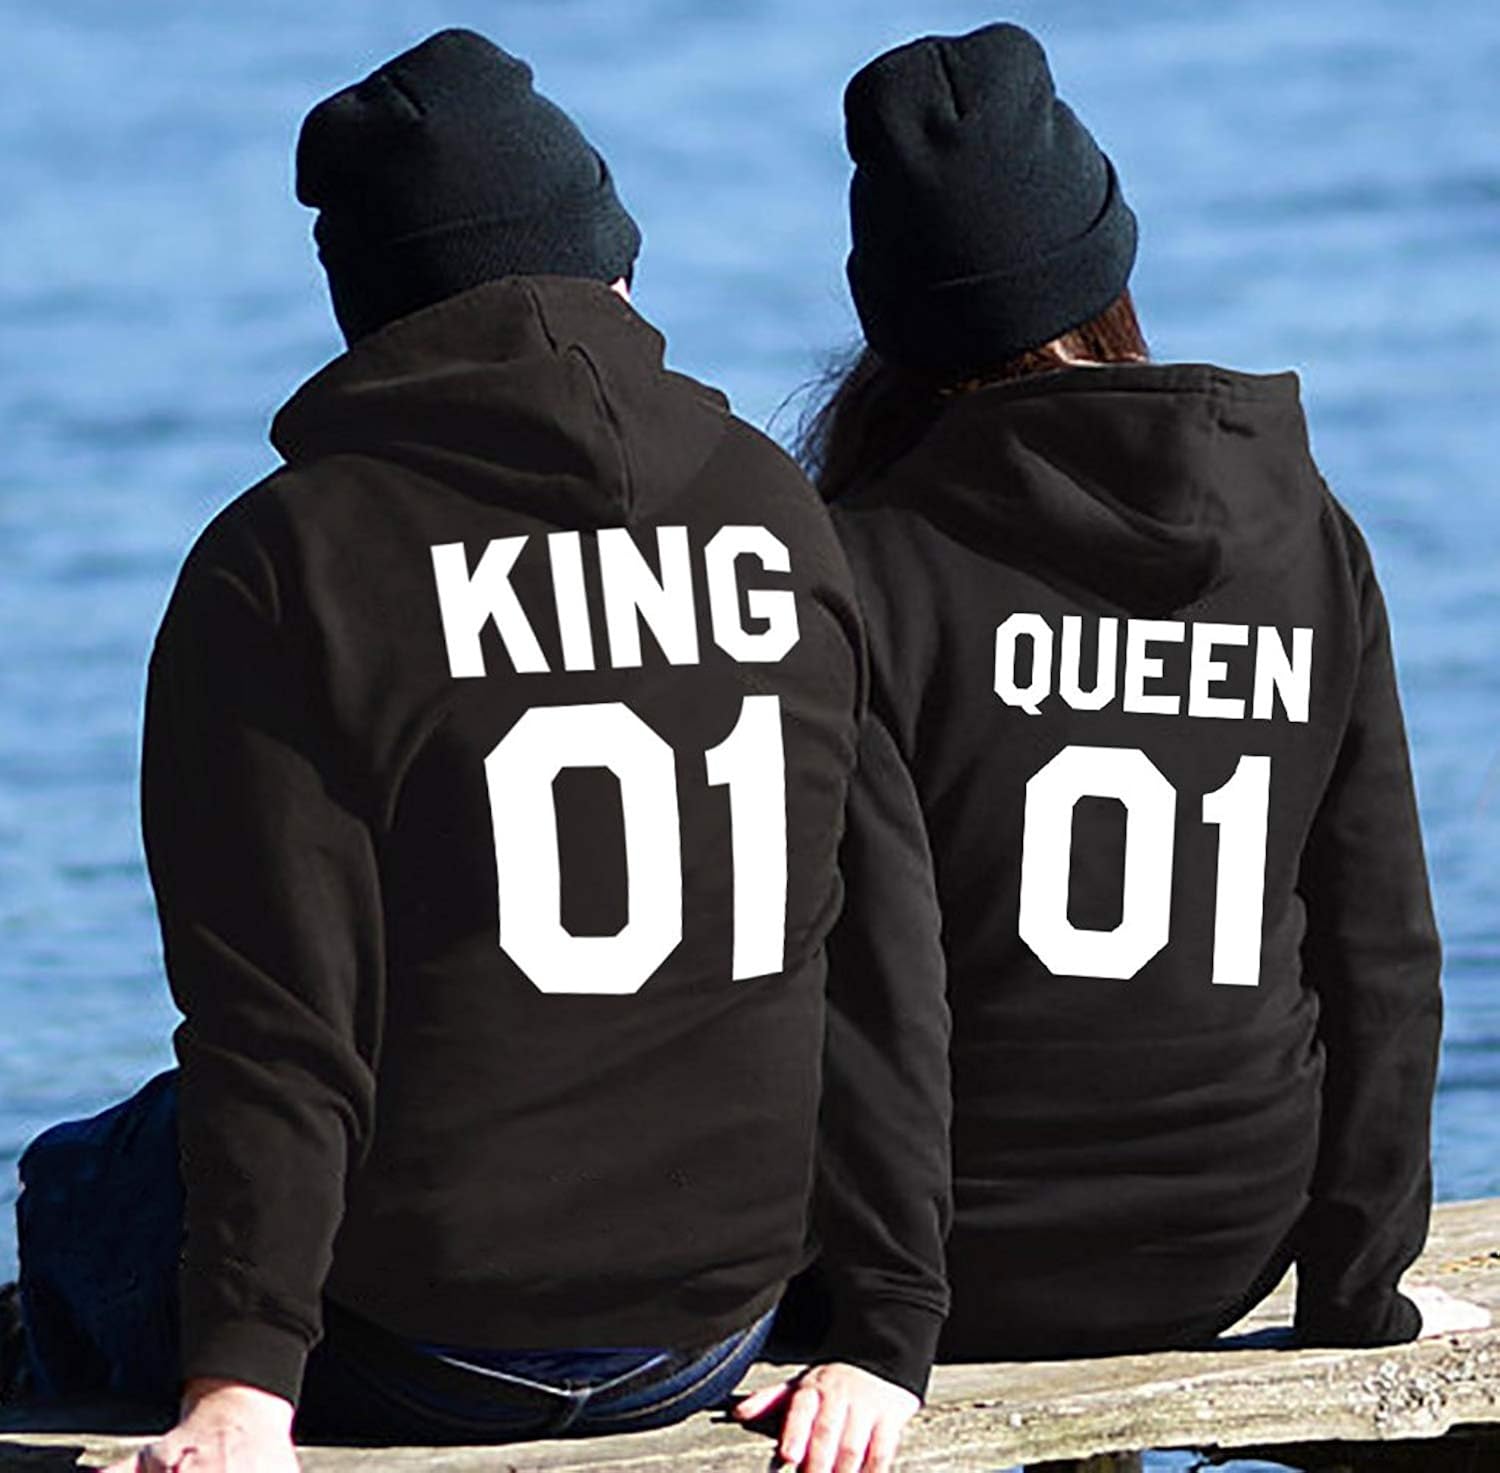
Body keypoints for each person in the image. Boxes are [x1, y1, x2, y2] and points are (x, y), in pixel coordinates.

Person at [3, 30, 930, 1473]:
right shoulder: (772, 507)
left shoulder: (288, 563)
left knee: (77, 1184)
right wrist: (888, 1327)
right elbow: (879, 949)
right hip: (712, 1328)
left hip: (416, 1351)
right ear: (607, 265)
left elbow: (281, 1025)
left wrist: (243, 1390)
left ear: (372, 311)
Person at [804, 22, 1489, 1364]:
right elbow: (1383, 947)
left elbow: (875, 996)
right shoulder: (1302, 529)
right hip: (1230, 1238)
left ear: (891, 312)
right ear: (1109, 266)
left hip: (952, 1268)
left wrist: (882, 1328)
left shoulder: (865, 565)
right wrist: (1358, 1292)